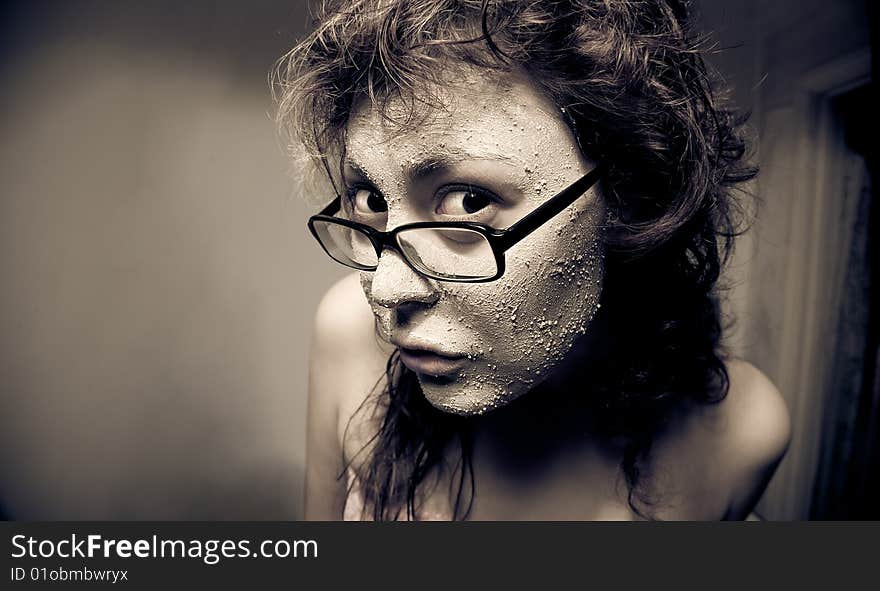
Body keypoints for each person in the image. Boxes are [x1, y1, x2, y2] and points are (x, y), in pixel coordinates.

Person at [274, 0, 791, 520]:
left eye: (468, 202)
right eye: (372, 201)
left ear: (631, 192)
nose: (385, 290)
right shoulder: (347, 334)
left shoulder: (741, 429)